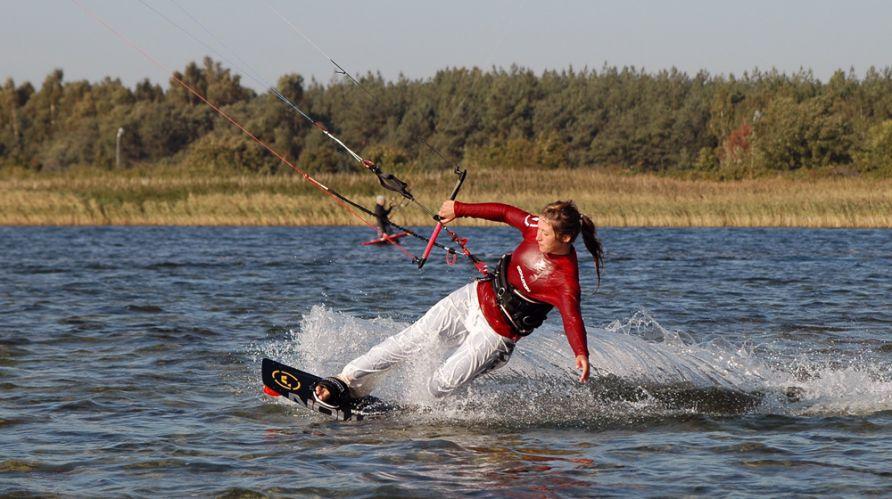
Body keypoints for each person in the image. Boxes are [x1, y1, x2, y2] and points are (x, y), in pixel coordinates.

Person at [314, 199, 604, 408]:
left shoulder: (564, 279)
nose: (537, 235)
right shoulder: (535, 226)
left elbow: (572, 317)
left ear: (565, 238)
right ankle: (345, 382)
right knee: (410, 340)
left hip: (495, 335)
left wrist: (581, 352)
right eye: (538, 229)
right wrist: (459, 208)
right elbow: (504, 212)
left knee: (440, 385)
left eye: (545, 234)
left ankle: (411, 413)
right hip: (472, 299)